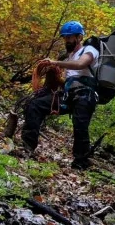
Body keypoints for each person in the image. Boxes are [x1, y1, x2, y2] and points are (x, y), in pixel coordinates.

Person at [20, 20, 100, 169]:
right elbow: (70, 82)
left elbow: (81, 64)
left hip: (85, 96)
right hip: (68, 95)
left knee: (80, 126)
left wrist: (55, 63)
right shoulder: (69, 58)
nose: (67, 40)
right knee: (35, 105)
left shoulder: (89, 50)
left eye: (70, 37)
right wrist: (56, 79)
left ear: (79, 37)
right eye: (65, 37)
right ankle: (27, 147)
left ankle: (80, 162)